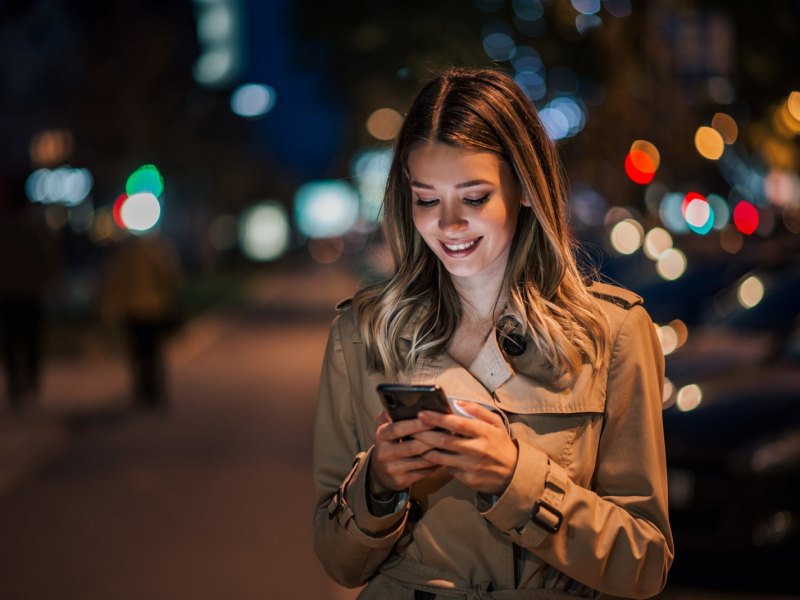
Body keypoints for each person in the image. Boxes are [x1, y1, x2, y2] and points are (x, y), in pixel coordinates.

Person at [313, 67, 673, 599]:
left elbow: (643, 564)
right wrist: (379, 484)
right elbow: (338, 563)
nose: (449, 224)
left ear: (524, 189)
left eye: (474, 197)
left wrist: (515, 478)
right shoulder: (361, 336)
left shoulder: (612, 333)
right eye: (427, 200)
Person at [99, 231, 182, 410]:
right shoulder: (160, 250)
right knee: (154, 351)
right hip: (156, 309)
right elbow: (171, 276)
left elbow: (115, 282)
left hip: (135, 310)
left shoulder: (126, 254)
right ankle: (156, 390)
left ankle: (142, 390)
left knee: (138, 352)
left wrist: (109, 309)